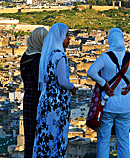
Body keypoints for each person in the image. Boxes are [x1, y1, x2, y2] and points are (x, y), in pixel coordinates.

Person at [87, 28, 130, 158]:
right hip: (125, 106)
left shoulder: (105, 57)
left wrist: (104, 84)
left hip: (107, 105)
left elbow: (91, 72)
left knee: (103, 141)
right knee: (123, 142)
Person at [33, 23, 76, 158]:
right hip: (57, 103)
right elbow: (62, 82)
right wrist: (72, 87)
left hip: (46, 100)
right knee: (57, 136)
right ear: (60, 36)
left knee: (45, 135)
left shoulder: (48, 54)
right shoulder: (60, 56)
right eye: (67, 35)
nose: (69, 39)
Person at [20, 27, 48, 158]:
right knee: (39, 133)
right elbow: (41, 83)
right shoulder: (38, 59)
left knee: (30, 134)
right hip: (37, 99)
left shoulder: (26, 56)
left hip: (28, 98)